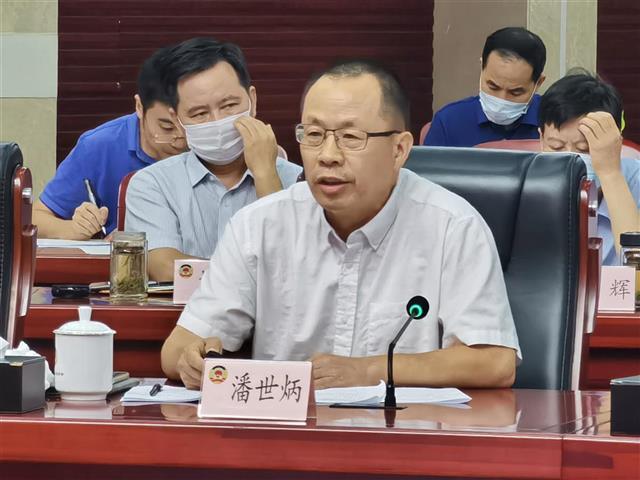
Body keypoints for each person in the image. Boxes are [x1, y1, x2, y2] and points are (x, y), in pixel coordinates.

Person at [161, 59, 521, 390]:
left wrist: (367, 371)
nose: (328, 156)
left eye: (351, 138)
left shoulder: (453, 227)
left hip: (404, 431)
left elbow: (494, 362)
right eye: (314, 135)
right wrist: (192, 360)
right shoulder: (258, 226)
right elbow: (177, 348)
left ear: (399, 149)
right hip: (288, 432)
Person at [125, 38, 302, 282]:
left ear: (252, 101)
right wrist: (254, 275)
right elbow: (164, 267)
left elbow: (293, 266)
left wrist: (266, 175)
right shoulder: (152, 184)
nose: (217, 121)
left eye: (229, 105)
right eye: (199, 113)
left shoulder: (299, 181)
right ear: (177, 120)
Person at [34, 46, 186, 239]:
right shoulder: (99, 145)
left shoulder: (210, 143)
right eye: (166, 127)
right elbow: (37, 217)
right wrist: (74, 229)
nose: (180, 140)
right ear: (140, 107)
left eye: (189, 125)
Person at [539, 72, 640, 266]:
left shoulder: (637, 180)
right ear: (541, 139)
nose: (571, 160)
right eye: (556, 147)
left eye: (584, 149)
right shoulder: (524, 183)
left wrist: (610, 173)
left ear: (615, 143)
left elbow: (636, 267)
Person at [424, 27, 546, 147]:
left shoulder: (552, 121)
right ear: (482, 67)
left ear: (538, 83)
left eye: (515, 92)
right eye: (493, 87)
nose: (501, 100)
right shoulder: (449, 122)